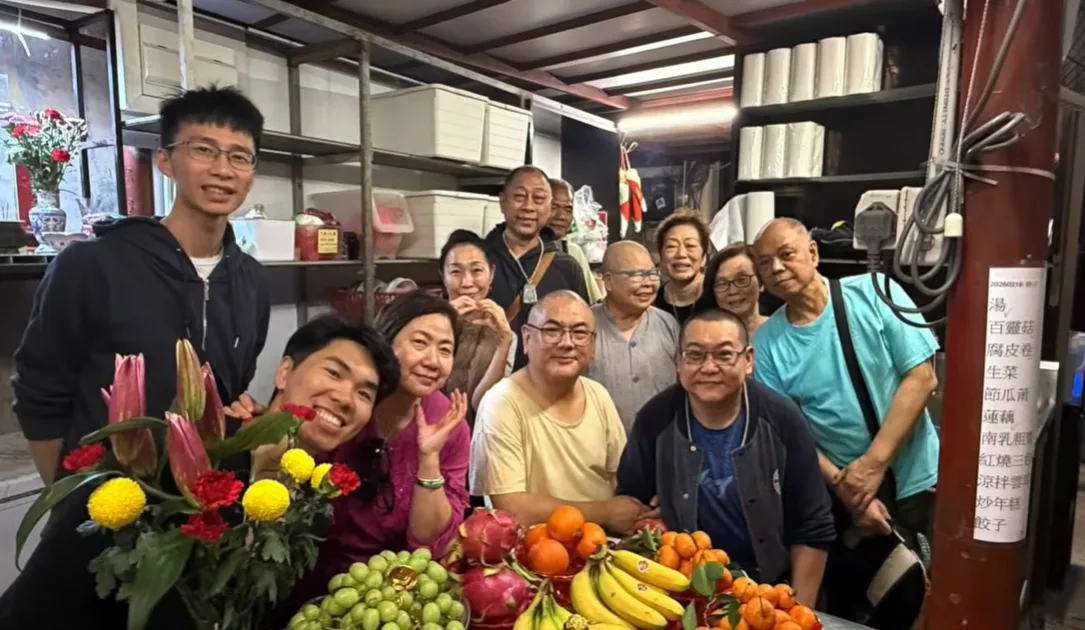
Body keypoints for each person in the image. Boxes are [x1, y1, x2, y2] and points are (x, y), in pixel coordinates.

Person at [0, 316, 398, 630]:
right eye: (333, 372)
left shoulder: (309, 501)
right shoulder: (180, 465)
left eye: (364, 393)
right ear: (284, 373)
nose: (345, 398)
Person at [12, 86, 270, 485]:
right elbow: (39, 396)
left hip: (198, 514)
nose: (223, 169)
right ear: (165, 161)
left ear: (251, 175)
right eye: (203, 150)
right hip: (106, 506)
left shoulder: (251, 279)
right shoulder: (91, 265)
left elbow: (231, 388)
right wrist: (67, 502)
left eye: (239, 157)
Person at [618, 309, 834, 605]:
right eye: (695, 355)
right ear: (677, 362)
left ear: (748, 361)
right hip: (683, 594)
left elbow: (813, 526)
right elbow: (631, 508)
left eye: (723, 355)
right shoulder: (655, 420)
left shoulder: (782, 420)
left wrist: (797, 612)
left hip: (771, 592)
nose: (709, 367)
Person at [751, 218, 939, 549]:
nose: (776, 268)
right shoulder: (767, 342)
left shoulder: (875, 292)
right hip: (848, 491)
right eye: (765, 263)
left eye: (786, 255)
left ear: (812, 253)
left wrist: (872, 466)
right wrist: (849, 492)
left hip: (917, 478)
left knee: (941, 584)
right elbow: (790, 431)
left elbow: (922, 378)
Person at [291, 291, 471, 604]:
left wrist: (428, 457)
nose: (432, 360)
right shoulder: (347, 404)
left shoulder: (450, 423)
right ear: (387, 342)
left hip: (401, 593)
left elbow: (431, 541)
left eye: (445, 349)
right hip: (315, 586)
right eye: (420, 342)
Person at [470, 291, 655, 534]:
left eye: (579, 333)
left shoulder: (597, 394)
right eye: (552, 330)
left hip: (603, 545)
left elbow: (620, 480)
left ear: (592, 345)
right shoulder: (502, 403)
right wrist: (606, 513)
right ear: (526, 338)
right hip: (535, 553)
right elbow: (511, 509)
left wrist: (646, 508)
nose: (566, 343)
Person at [485, 166, 590, 369]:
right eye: (519, 197)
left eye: (539, 199)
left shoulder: (567, 267)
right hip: (487, 387)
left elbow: (582, 332)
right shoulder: (479, 260)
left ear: (549, 207)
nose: (529, 207)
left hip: (551, 384)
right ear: (502, 202)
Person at [587, 241, 679, 431]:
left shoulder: (668, 324)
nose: (648, 283)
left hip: (659, 449)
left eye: (652, 274)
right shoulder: (585, 325)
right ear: (608, 281)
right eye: (637, 275)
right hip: (600, 448)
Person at [438, 230, 516, 427]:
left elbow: (481, 402)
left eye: (477, 271)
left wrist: (504, 343)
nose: (467, 283)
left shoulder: (502, 331)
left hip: (477, 434)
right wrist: (444, 325)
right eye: (456, 272)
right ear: (443, 276)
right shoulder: (424, 323)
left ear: (491, 275)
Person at [548, 178, 603, 303]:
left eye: (568, 209)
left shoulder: (573, 252)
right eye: (554, 207)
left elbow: (593, 303)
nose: (561, 216)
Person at [654, 210, 712, 324]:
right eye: (671, 246)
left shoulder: (719, 294)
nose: (681, 254)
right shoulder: (653, 302)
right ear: (661, 257)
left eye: (690, 245)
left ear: (704, 257)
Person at [703, 244, 770, 338]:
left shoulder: (779, 331)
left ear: (761, 283)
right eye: (722, 283)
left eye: (742, 280)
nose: (733, 291)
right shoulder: (704, 337)